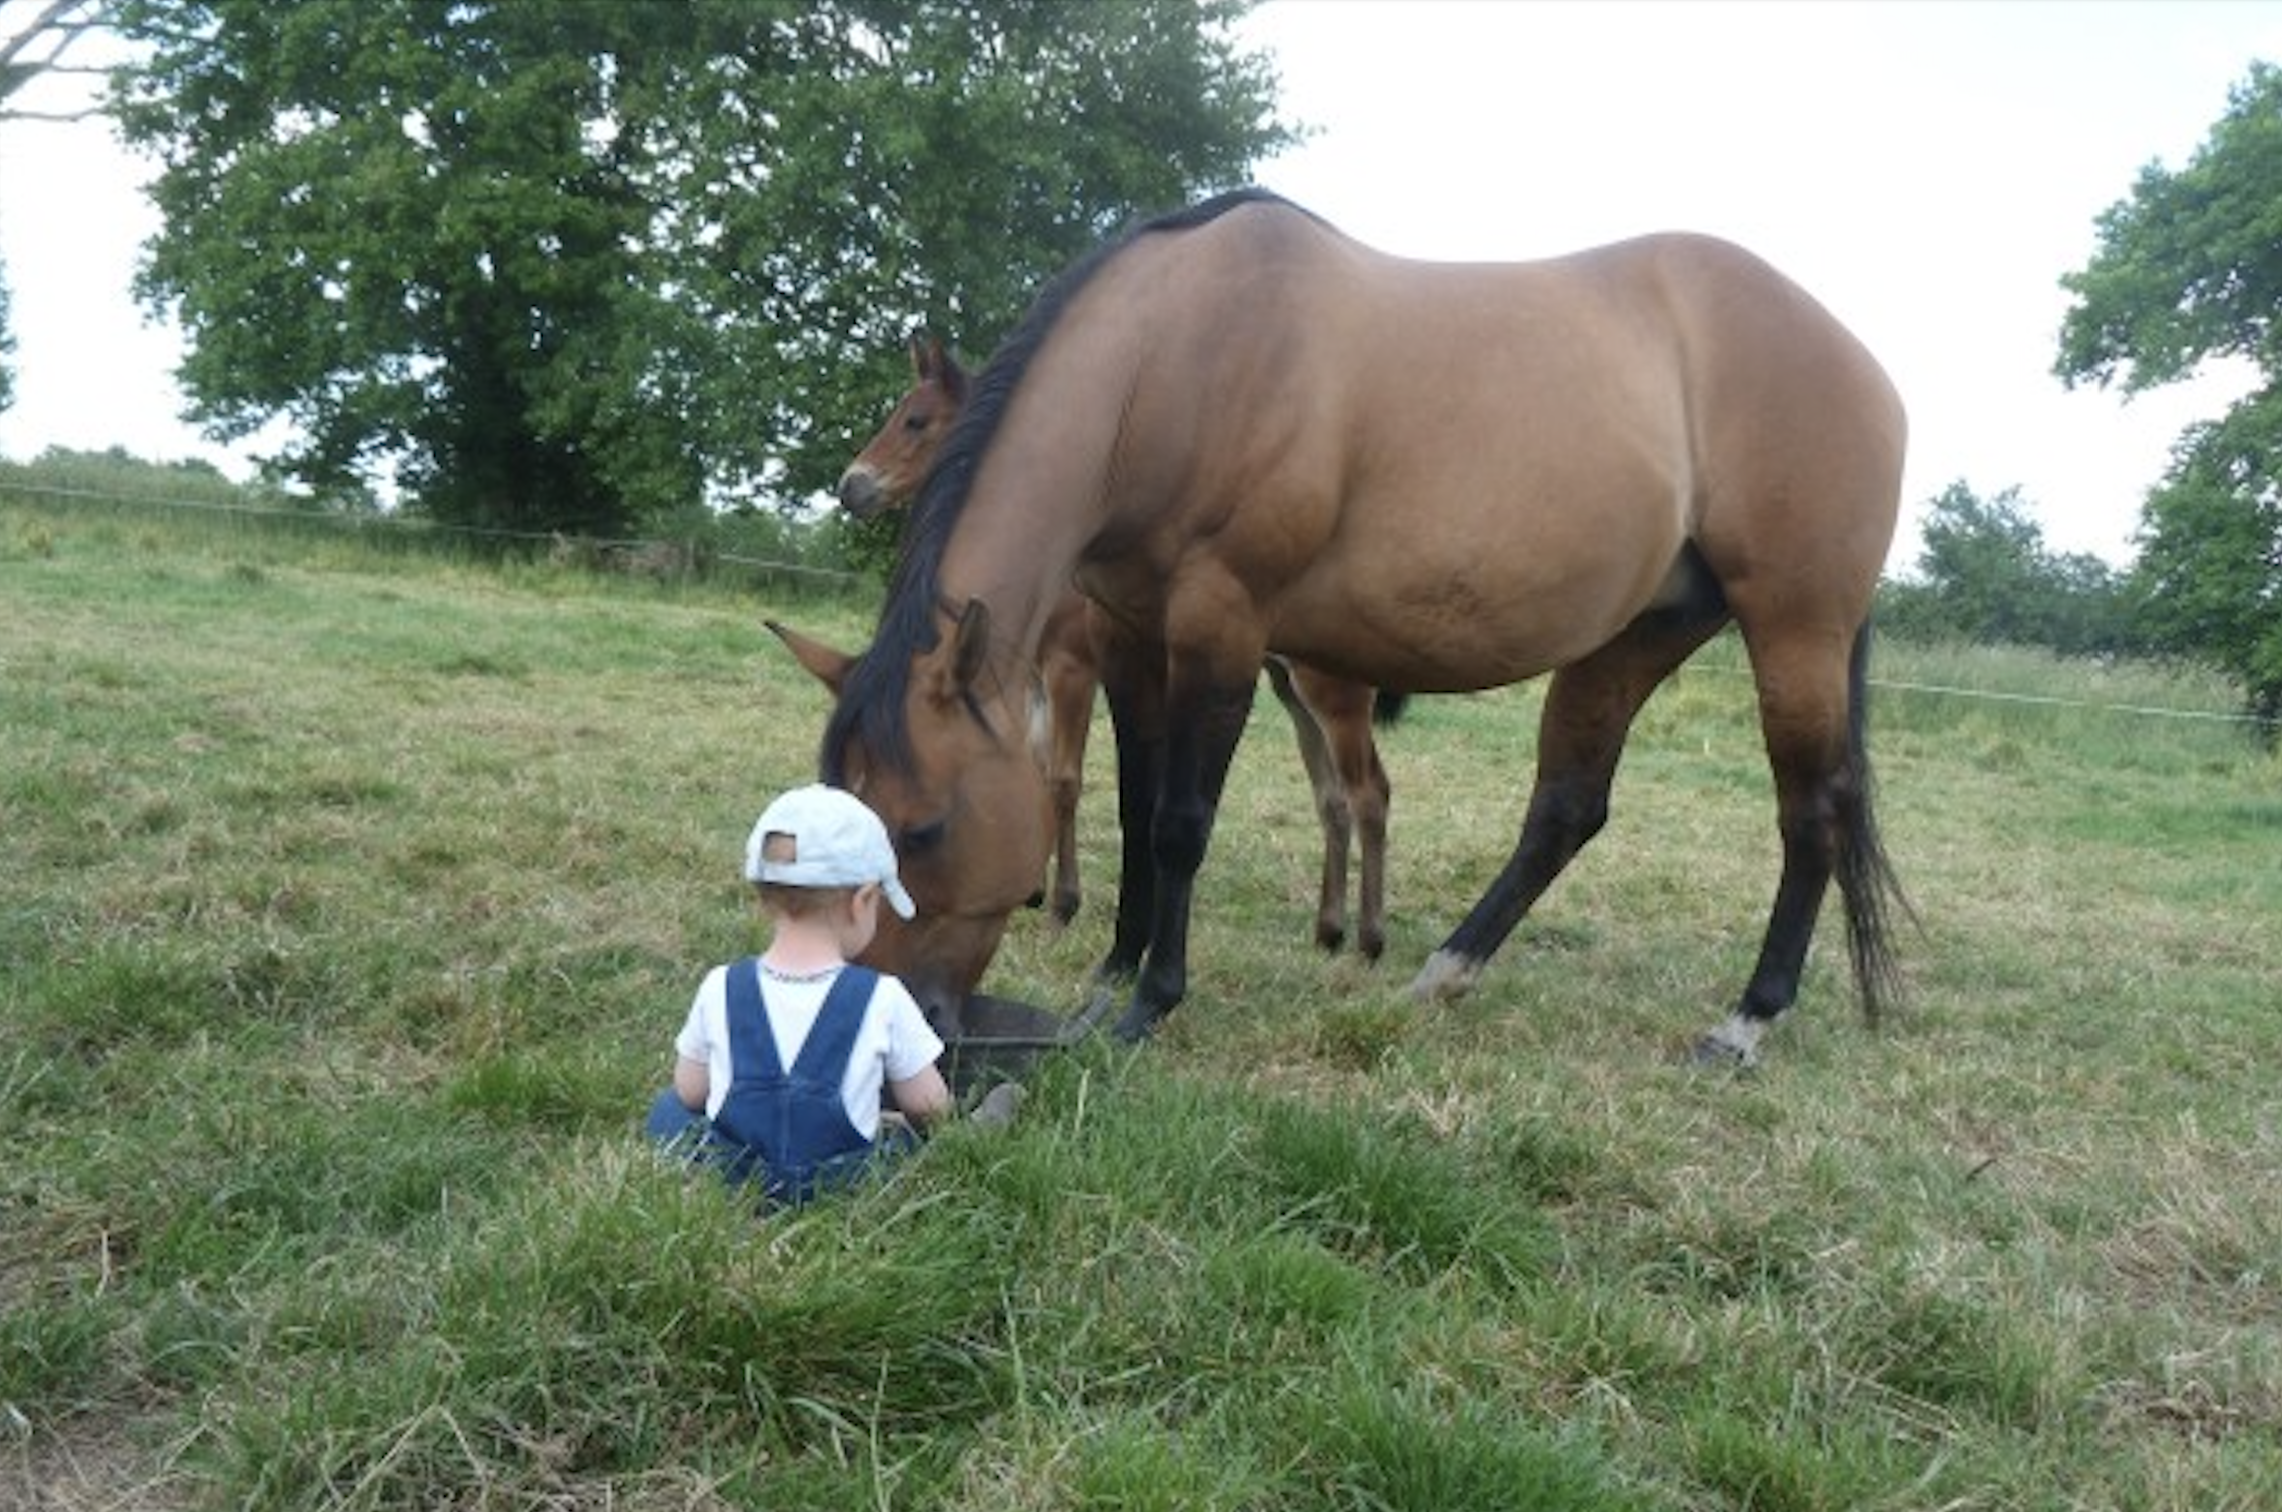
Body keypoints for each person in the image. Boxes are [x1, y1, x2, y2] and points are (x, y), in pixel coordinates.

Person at [645, 783, 959, 1204]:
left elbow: (689, 1091)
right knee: (912, 1144)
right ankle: (986, 1121)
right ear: (861, 901)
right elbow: (929, 1106)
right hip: (842, 1182)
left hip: (737, 1176)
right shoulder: (883, 998)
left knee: (667, 1110)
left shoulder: (720, 985)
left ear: (763, 898)